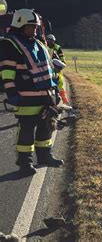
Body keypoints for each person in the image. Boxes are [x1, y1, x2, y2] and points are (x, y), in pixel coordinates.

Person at [0, 9, 63, 176]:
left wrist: (55, 91)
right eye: (31, 26)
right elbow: (7, 71)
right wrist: (11, 92)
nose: (34, 29)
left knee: (46, 128)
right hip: (26, 97)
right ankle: (25, 163)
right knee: (26, 131)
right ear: (20, 25)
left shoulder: (38, 43)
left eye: (36, 26)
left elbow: (49, 69)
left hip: (46, 96)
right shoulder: (10, 44)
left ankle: (45, 157)